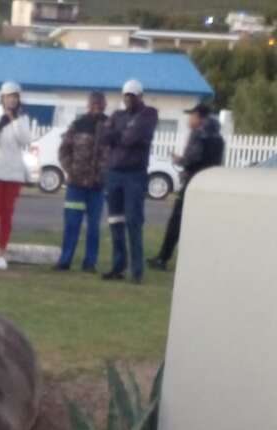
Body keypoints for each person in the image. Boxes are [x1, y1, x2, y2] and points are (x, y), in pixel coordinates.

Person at [147, 104, 225, 271]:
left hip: (193, 183)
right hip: (210, 184)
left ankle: (163, 258)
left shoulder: (199, 135)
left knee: (177, 221)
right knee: (201, 223)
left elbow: (192, 158)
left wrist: (178, 160)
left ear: (199, 117)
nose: (189, 120)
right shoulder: (218, 137)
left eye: (192, 116)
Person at [101, 79, 158, 284]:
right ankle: (118, 266)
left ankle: (137, 271)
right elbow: (105, 136)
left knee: (134, 222)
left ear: (140, 96)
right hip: (114, 173)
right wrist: (122, 134)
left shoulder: (148, 114)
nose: (128, 99)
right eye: (126, 95)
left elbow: (132, 138)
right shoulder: (118, 115)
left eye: (132, 95)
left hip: (134, 175)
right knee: (115, 222)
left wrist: (120, 135)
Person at [54, 91, 109, 273]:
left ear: (104, 106)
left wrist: (105, 174)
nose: (97, 108)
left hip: (97, 187)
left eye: (100, 105)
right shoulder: (77, 125)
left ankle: (90, 263)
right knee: (72, 224)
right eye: (94, 104)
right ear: (88, 105)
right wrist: (71, 169)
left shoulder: (110, 127)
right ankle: (65, 260)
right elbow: (64, 150)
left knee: (93, 227)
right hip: (76, 185)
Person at [0, 81, 30, 271]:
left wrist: (14, 121)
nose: (12, 99)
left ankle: (2, 252)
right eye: (9, 96)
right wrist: (0, 125)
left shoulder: (22, 118)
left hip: (13, 172)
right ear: (2, 98)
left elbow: (25, 140)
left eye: (15, 96)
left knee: (7, 213)